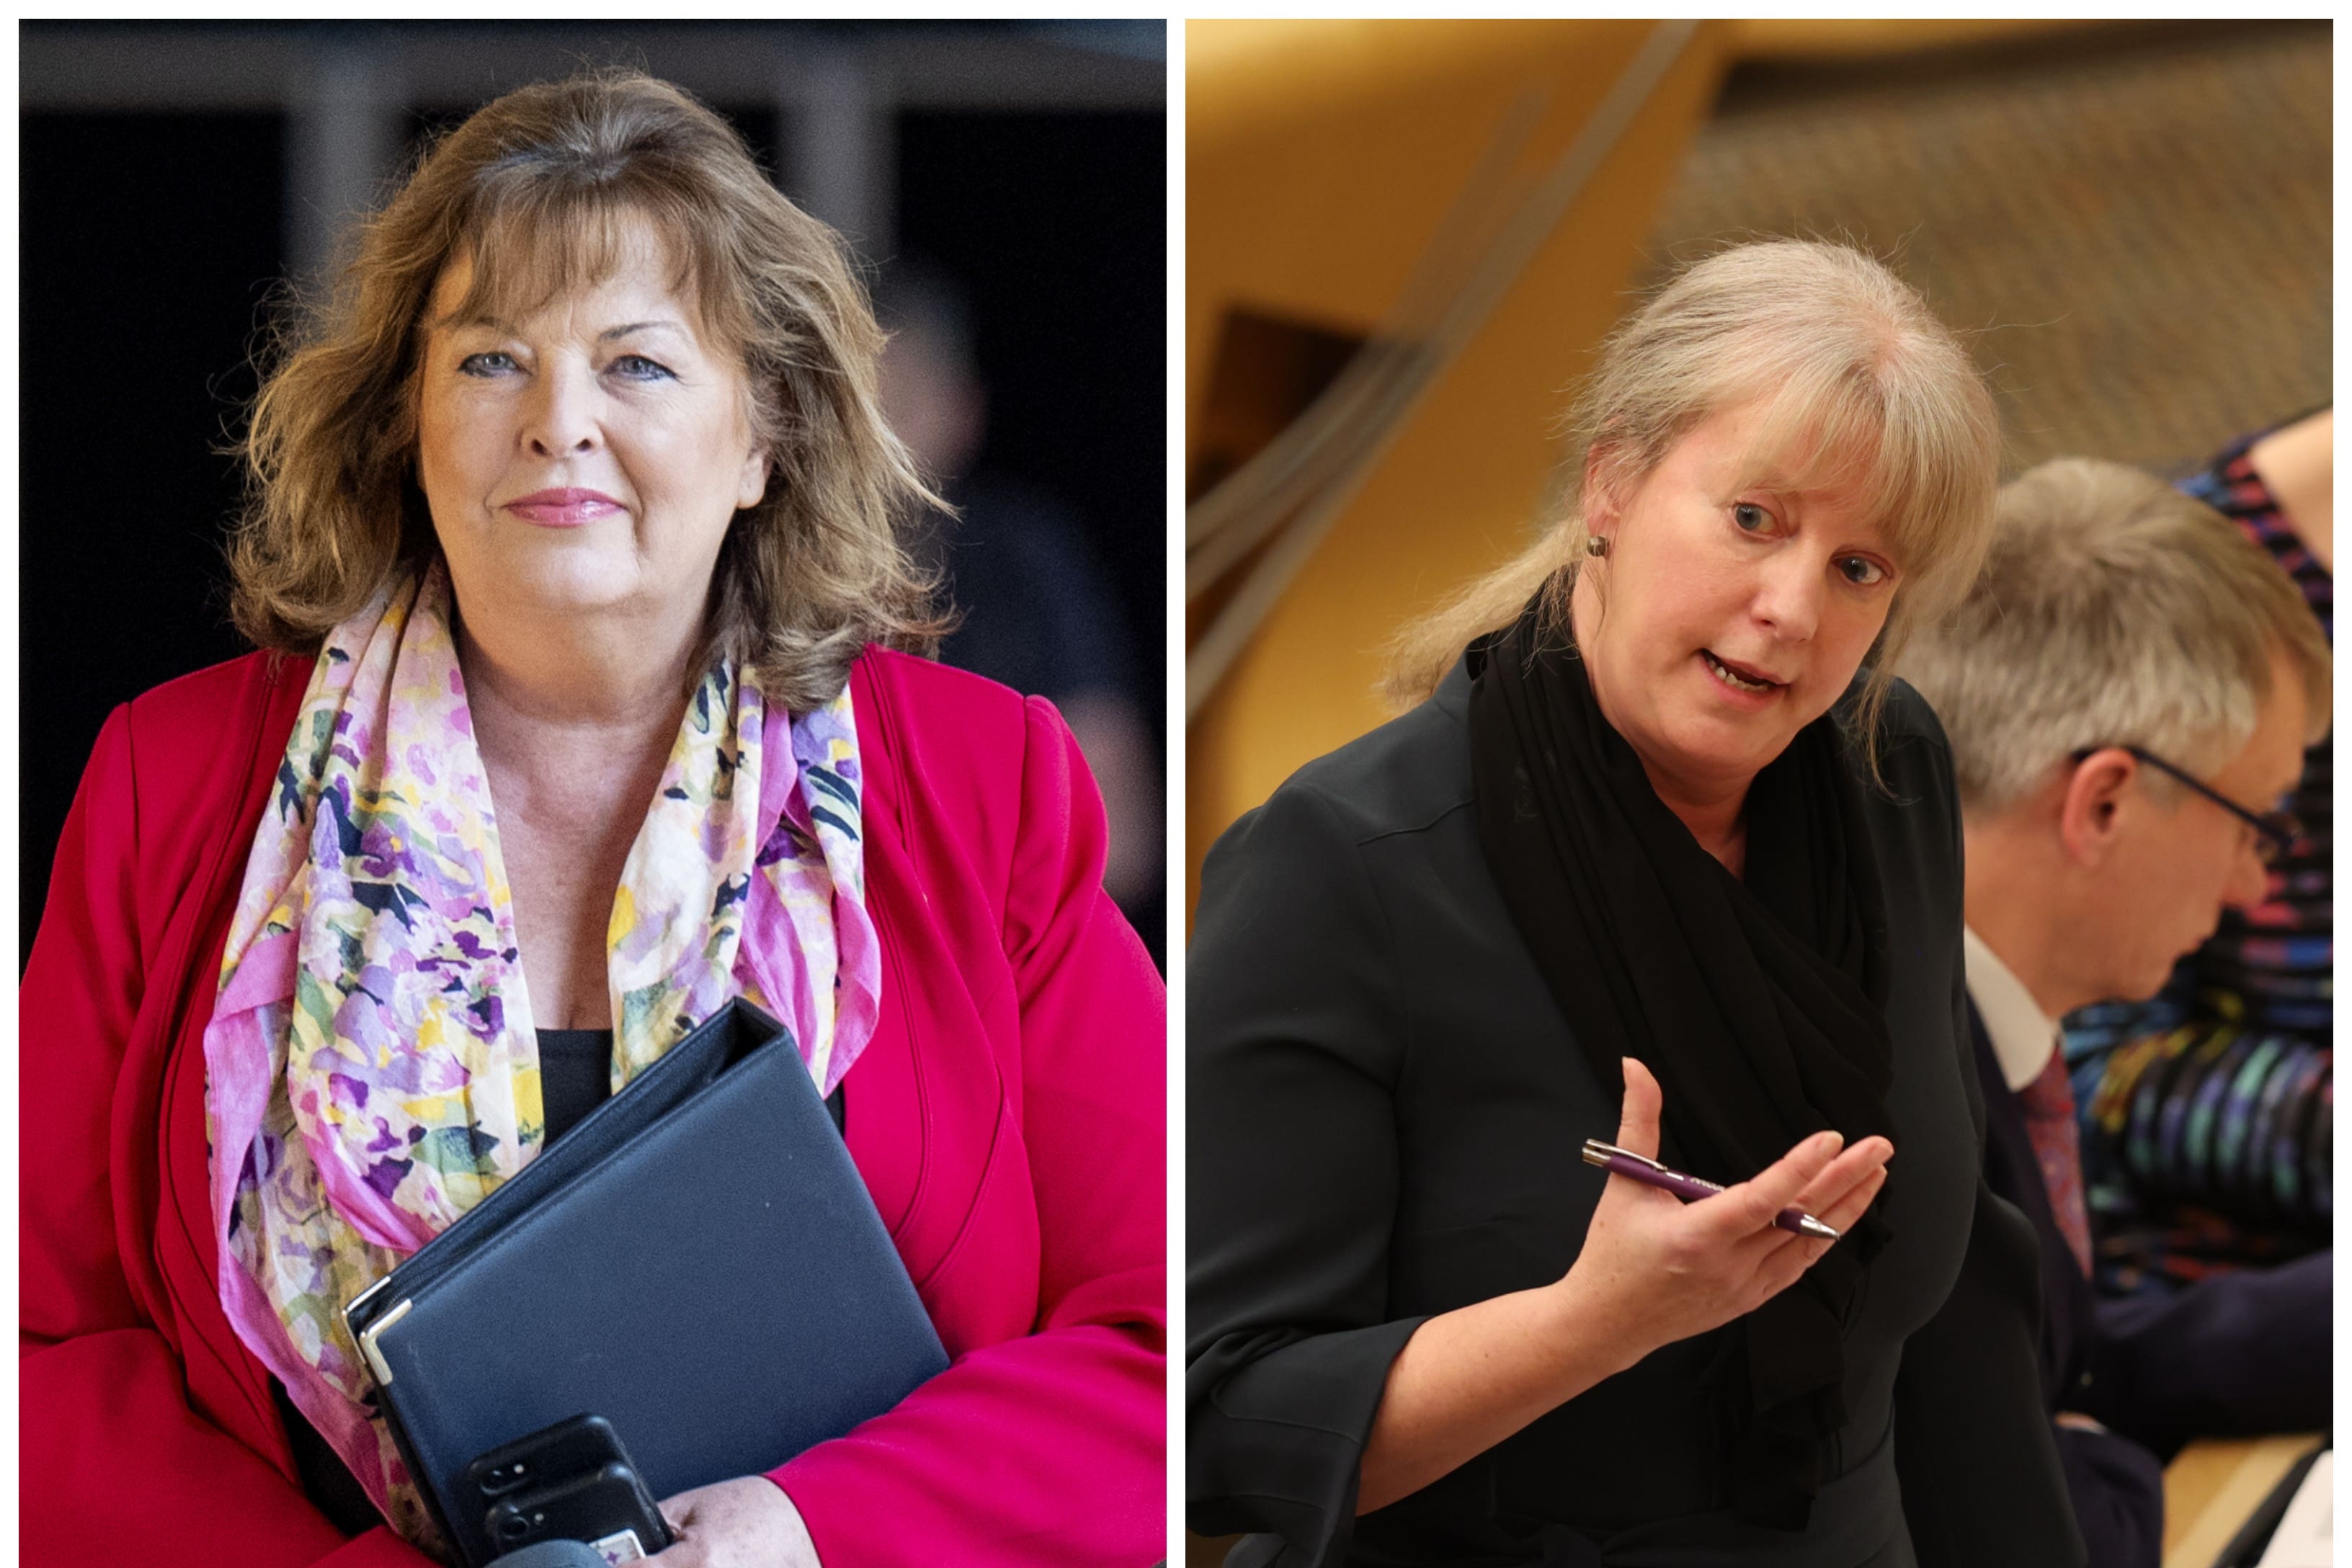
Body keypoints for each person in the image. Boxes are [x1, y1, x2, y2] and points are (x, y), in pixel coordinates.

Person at [21, 71, 1164, 1568]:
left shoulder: (979, 779)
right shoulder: (169, 780)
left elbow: (1161, 1338)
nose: (559, 424)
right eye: (492, 359)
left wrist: (812, 1525)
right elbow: (34, 1350)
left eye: (637, 365)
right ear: (406, 422)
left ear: (761, 439)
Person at [1189, 240, 2082, 1568]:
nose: (1789, 609)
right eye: (1754, 520)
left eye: (1860, 569)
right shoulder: (1341, 866)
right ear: (1612, 481)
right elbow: (1214, 1429)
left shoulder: (1893, 776)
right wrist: (1592, 1323)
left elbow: (1938, 1327)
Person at [1897, 455, 2333, 1568]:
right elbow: (2044, 1523)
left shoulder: (1977, 1025)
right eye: (2262, 825)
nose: (2257, 888)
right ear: (2105, 803)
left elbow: (2068, 1370)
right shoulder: (1892, 1103)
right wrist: (2100, 1465)